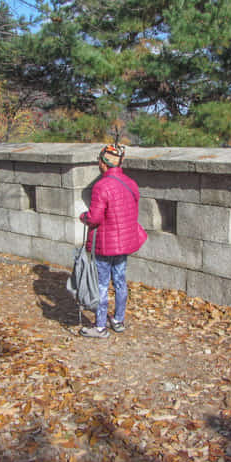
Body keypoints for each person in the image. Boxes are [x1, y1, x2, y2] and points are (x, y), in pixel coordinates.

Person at [78, 144, 147, 338]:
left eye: (99, 160)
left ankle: (100, 327)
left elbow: (95, 218)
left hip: (105, 244)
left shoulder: (101, 186)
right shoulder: (131, 183)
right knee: (120, 281)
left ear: (103, 162)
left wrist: (84, 216)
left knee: (101, 284)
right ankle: (118, 320)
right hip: (124, 243)